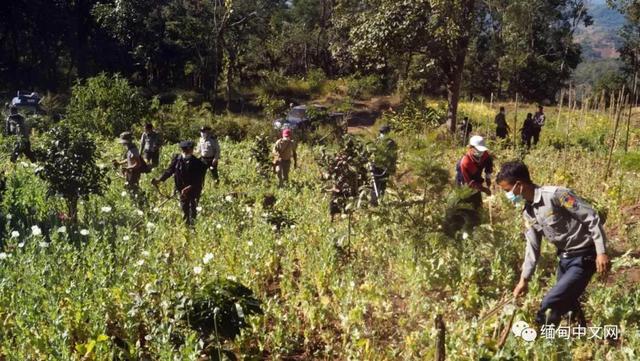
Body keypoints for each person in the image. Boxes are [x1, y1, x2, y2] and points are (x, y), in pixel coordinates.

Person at [497, 161, 609, 327]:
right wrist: (524, 279)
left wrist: (601, 252)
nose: (508, 195)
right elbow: (532, 248)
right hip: (565, 258)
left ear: (519, 185)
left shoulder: (557, 195)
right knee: (568, 302)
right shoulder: (528, 213)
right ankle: (580, 337)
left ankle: (542, 340)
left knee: (551, 301)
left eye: (507, 190)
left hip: (585, 255)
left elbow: (590, 217)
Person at [152, 141, 207, 226]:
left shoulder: (198, 163)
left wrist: (189, 188)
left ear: (191, 150)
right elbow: (169, 171)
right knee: (184, 208)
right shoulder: (177, 159)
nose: (185, 152)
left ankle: (193, 226)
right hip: (181, 189)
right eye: (183, 150)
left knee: (193, 208)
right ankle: (187, 226)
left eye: (187, 150)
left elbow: (198, 180)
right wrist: (159, 180)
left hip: (193, 190)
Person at [370, 125, 398, 206]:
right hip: (381, 166)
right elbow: (394, 156)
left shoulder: (378, 141)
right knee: (379, 184)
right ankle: (376, 201)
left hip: (381, 166)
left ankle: (376, 202)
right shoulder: (390, 142)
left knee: (378, 184)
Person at [113, 131, 144, 198]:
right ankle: (136, 200)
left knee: (133, 189)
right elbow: (129, 159)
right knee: (129, 188)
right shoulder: (130, 149)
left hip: (134, 173)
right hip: (131, 172)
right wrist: (119, 163)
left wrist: (128, 168)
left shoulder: (133, 150)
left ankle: (138, 201)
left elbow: (138, 164)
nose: (123, 144)